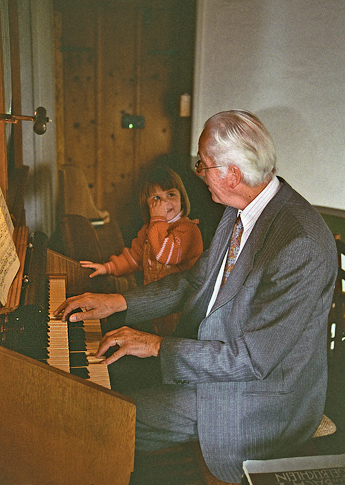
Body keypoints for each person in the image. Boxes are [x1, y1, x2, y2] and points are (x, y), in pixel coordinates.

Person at [55, 110, 338, 483]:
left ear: (232, 174)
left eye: (203, 165)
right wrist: (119, 303)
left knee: (95, 418)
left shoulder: (299, 242)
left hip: (259, 397)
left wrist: (156, 344)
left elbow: (252, 360)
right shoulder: (242, 210)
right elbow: (194, 282)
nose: (199, 174)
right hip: (211, 362)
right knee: (87, 382)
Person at [80, 166, 203, 336]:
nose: (164, 202)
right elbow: (134, 257)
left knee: (171, 340)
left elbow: (164, 255)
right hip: (154, 303)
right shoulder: (150, 229)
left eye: (171, 195)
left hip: (180, 308)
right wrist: (108, 267)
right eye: (156, 198)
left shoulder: (188, 230)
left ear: (182, 199)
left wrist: (158, 219)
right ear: (148, 205)